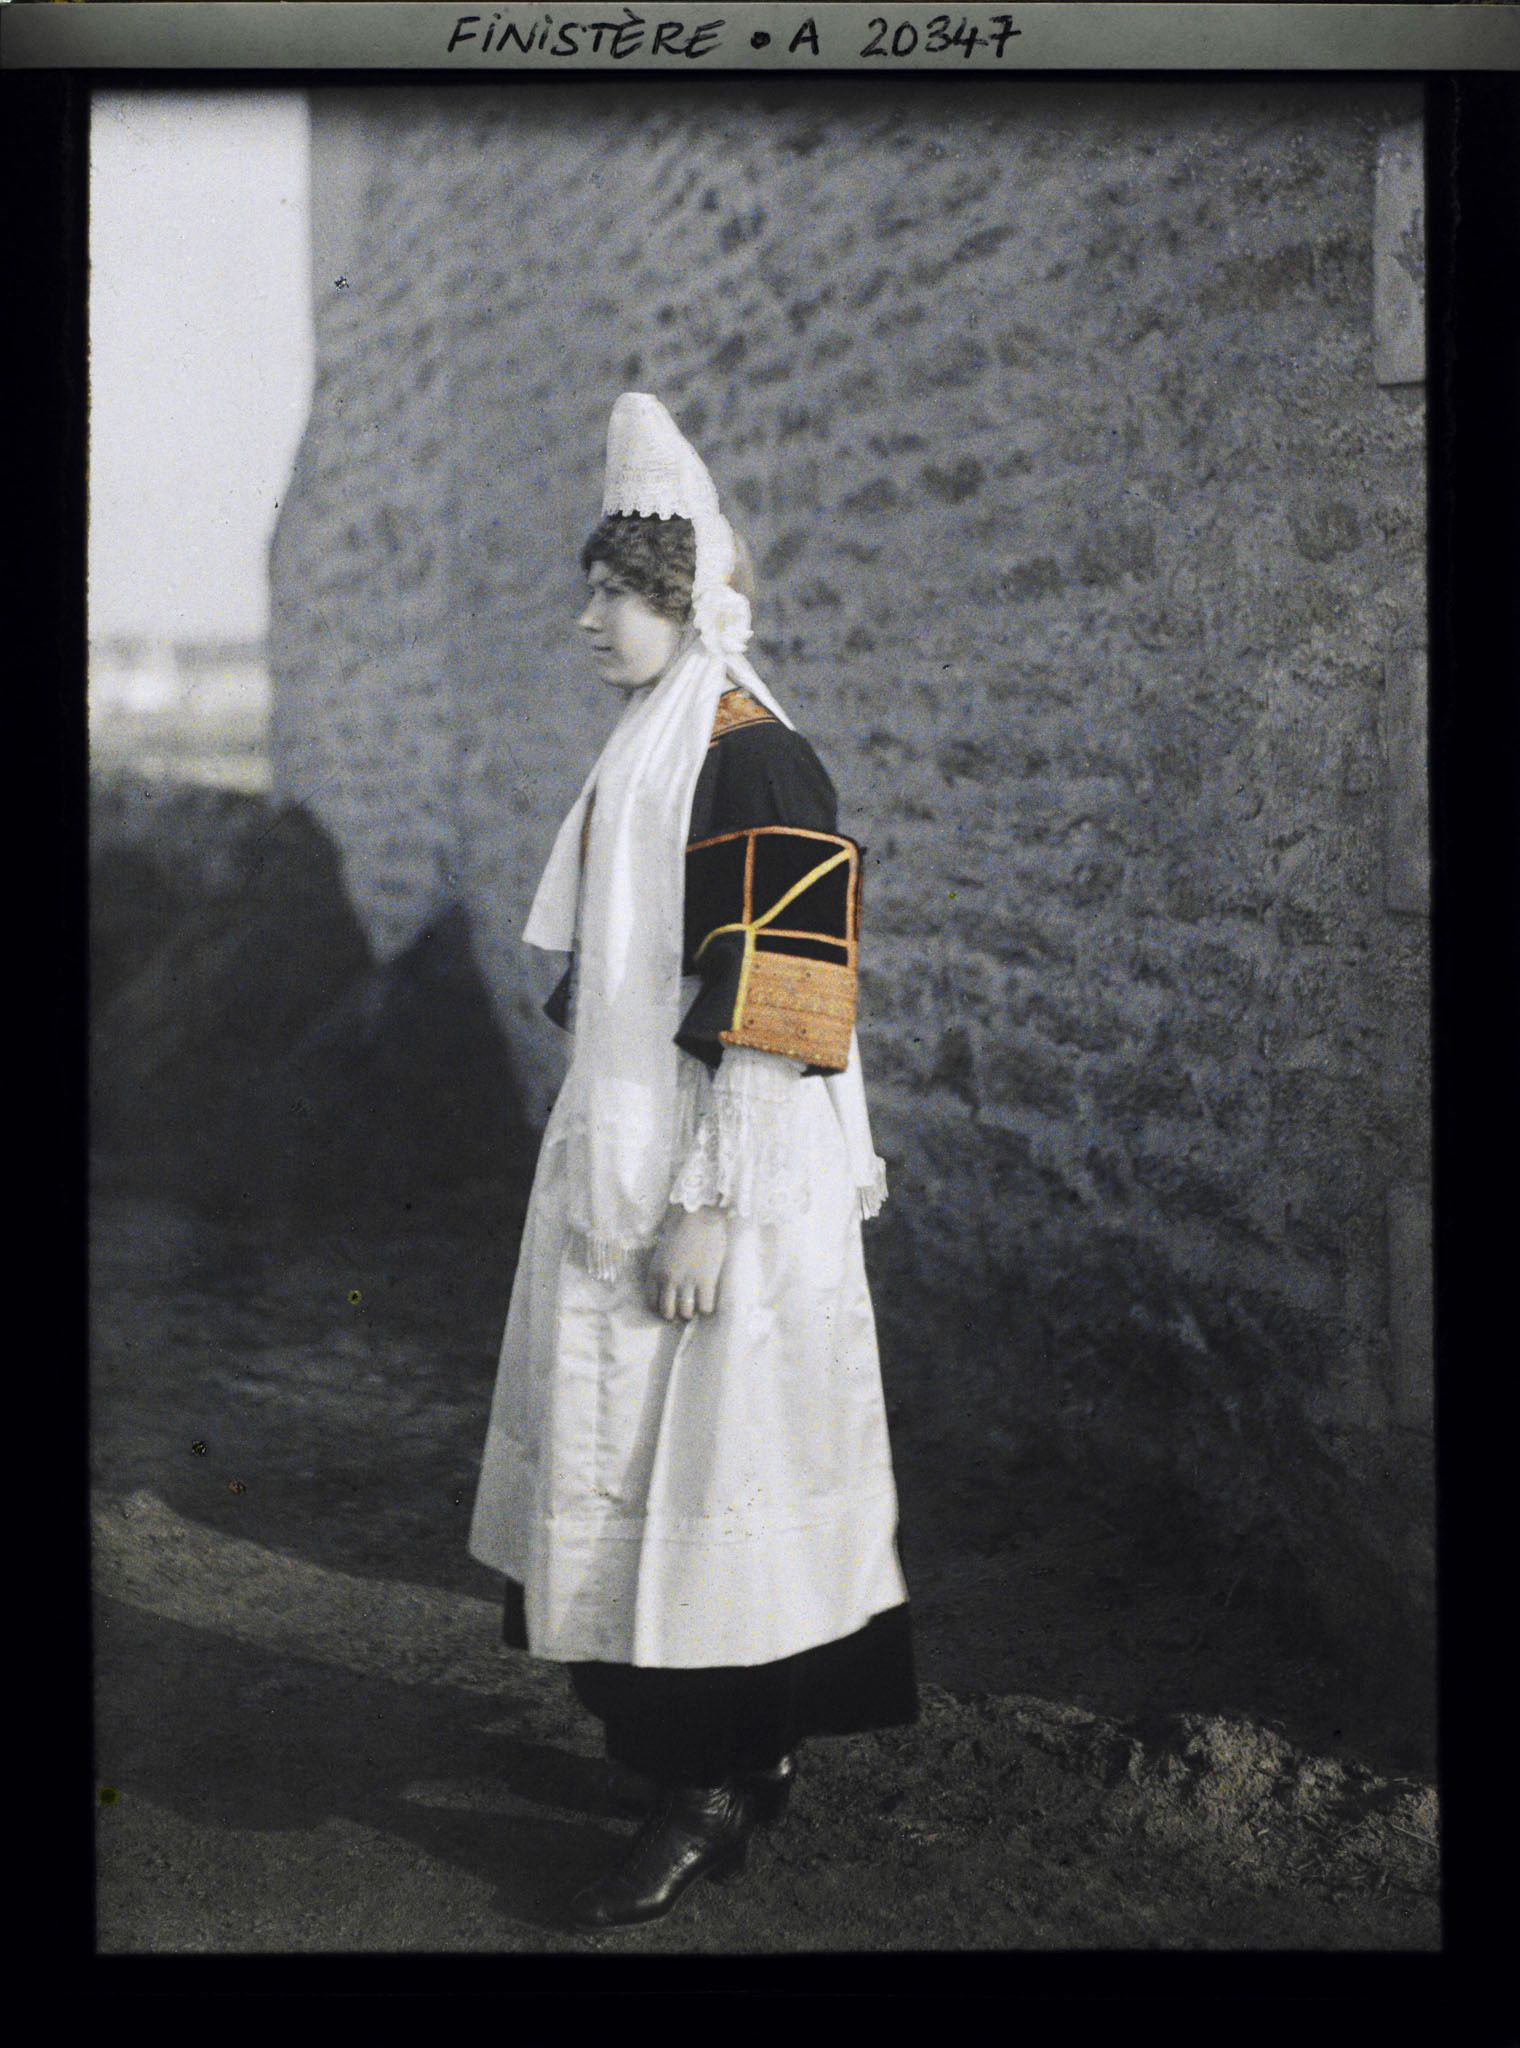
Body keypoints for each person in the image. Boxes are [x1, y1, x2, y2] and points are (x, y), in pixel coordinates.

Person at [469, 393, 917, 1932]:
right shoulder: (640, 756)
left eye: (625, 593)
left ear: (695, 603)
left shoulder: (753, 761)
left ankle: (713, 1784)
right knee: (627, 1464)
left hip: (724, 1182)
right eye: (590, 588)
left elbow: (783, 1012)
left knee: (713, 1468)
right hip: (623, 1166)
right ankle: (697, 1755)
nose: (592, 619)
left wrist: (710, 1211)